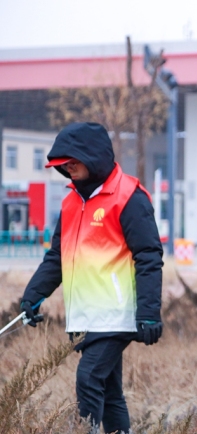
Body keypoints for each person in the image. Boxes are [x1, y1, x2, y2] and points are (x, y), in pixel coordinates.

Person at [19, 122, 164, 434]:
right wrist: (32, 296)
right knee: (111, 395)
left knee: (88, 379)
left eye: (73, 161)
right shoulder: (71, 201)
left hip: (116, 314)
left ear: (94, 156)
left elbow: (149, 256)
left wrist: (150, 313)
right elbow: (57, 257)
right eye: (62, 164)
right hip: (84, 314)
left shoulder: (129, 197)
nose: (67, 168)